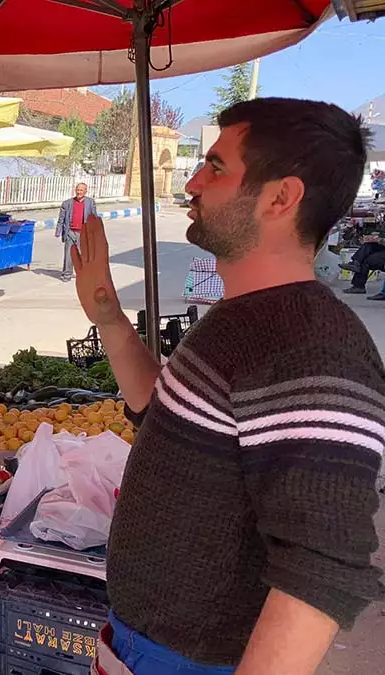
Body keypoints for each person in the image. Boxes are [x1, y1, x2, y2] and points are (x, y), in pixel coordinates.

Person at [74, 98, 383, 674]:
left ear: (280, 198)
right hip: (141, 647)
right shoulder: (241, 318)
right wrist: (110, 318)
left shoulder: (311, 348)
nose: (192, 180)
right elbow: (163, 418)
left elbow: (321, 570)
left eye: (215, 166)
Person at [55, 182, 99, 280]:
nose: (79, 192)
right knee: (69, 255)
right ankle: (66, 275)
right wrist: (58, 231)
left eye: (81, 190)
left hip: (83, 233)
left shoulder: (90, 202)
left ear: (85, 191)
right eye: (77, 190)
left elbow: (94, 218)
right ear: (75, 190)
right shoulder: (67, 203)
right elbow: (61, 218)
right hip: (70, 232)